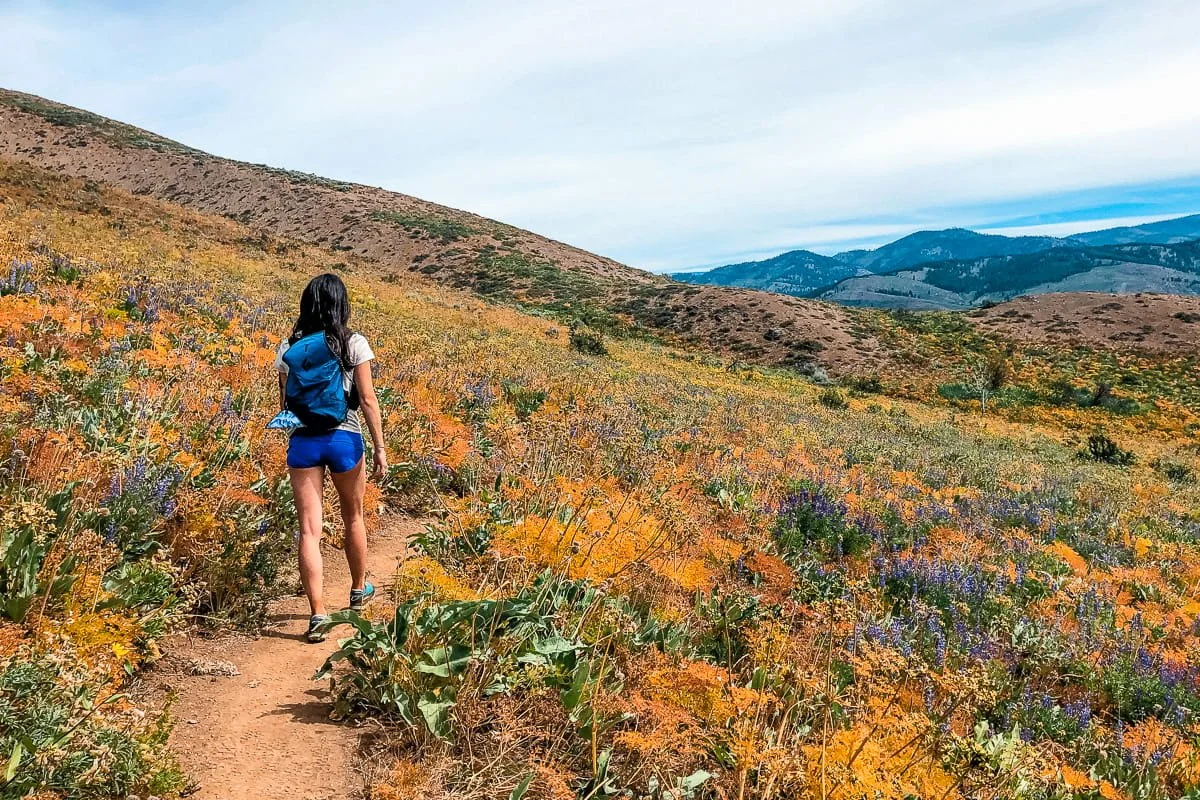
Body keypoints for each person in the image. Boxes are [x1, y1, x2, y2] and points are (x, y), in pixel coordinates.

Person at [274, 273, 388, 643]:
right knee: (353, 515)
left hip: (304, 442)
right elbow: (368, 400)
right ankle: (358, 589)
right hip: (344, 437)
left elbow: (285, 405)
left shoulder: (288, 347)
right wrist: (381, 448)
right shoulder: (351, 342)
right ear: (342, 303)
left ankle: (318, 614)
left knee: (309, 529)